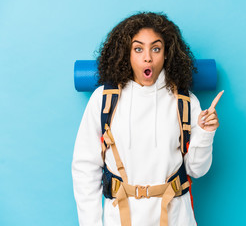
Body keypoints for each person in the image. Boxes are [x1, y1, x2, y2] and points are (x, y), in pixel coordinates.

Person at [72, 12, 222, 226]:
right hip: (120, 218)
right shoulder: (104, 100)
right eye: (138, 48)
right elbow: (84, 168)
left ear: (167, 54)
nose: (147, 57)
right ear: (127, 53)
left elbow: (197, 170)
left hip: (176, 218)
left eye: (156, 48)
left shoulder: (185, 101)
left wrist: (206, 133)